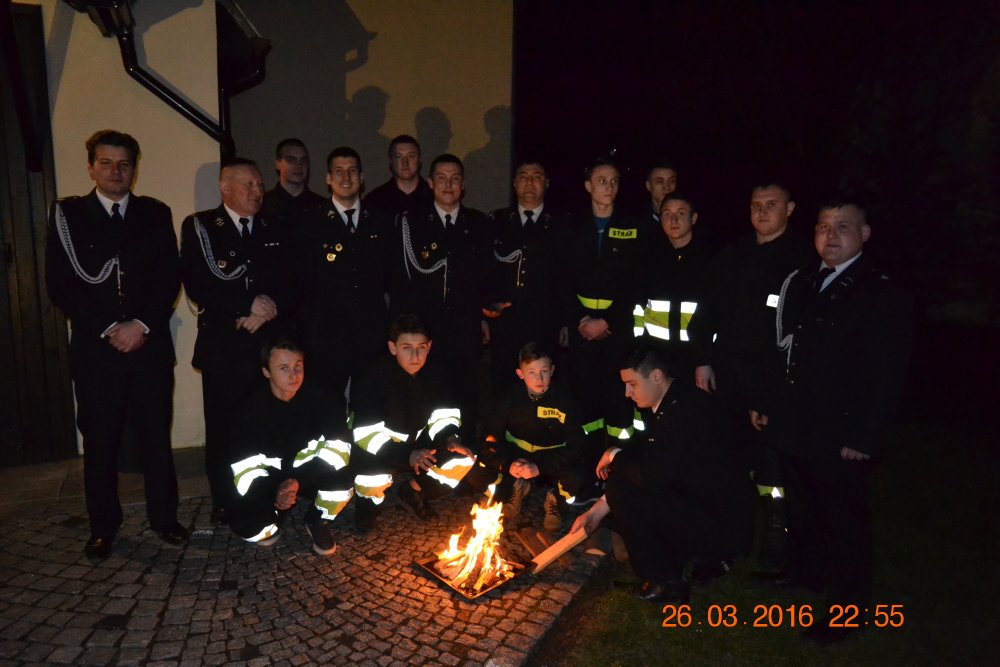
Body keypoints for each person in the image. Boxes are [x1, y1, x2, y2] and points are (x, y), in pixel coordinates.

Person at [757, 201, 912, 644]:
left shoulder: (879, 291)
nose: (830, 235)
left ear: (865, 234)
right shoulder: (805, 280)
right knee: (803, 508)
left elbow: (886, 373)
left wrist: (864, 435)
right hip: (797, 422)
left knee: (845, 523)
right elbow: (786, 350)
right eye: (823, 226)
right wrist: (769, 403)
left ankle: (848, 610)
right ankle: (806, 573)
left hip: (840, 431)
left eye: (842, 227)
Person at [45, 129, 188, 559]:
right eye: (105, 163)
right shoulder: (69, 216)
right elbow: (61, 284)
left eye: (124, 164)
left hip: (149, 348)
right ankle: (103, 526)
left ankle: (164, 518)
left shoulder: (154, 213)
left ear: (134, 169)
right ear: (91, 167)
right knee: (101, 443)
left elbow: (169, 276)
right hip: (97, 352)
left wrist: (140, 325)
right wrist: (111, 327)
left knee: (155, 438)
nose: (115, 171)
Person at [571, 345, 753, 603]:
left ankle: (665, 581)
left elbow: (651, 477)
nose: (627, 393)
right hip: (703, 504)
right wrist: (596, 512)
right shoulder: (673, 400)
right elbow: (646, 460)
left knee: (625, 489)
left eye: (632, 384)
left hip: (720, 524)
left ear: (656, 376)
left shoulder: (685, 412)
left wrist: (613, 456)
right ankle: (674, 561)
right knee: (625, 480)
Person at [697, 181, 813, 573]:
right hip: (727, 377)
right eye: (755, 204)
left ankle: (777, 536)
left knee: (771, 464)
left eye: (771, 204)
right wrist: (702, 361)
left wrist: (767, 394)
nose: (761, 212)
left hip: (774, 381)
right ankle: (732, 538)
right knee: (729, 460)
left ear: (790, 209)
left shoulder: (802, 260)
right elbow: (707, 311)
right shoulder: (733, 254)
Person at [180, 158, 293, 525]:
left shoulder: (275, 226)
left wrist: (265, 310)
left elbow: (293, 280)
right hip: (224, 350)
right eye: (248, 184)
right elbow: (197, 283)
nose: (257, 191)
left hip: (266, 349)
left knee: (266, 426)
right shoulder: (201, 226)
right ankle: (224, 499)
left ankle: (267, 494)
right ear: (225, 188)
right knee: (224, 429)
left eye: (259, 184)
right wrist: (244, 305)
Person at [349, 314, 491, 532]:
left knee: (463, 458)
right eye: (406, 348)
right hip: (381, 450)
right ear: (393, 347)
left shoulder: (437, 372)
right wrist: (406, 455)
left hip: (420, 444)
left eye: (421, 347)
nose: (415, 356)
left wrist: (450, 439)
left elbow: (445, 414)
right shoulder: (373, 378)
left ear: (429, 346)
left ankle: (412, 492)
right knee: (371, 480)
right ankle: (367, 509)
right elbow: (367, 435)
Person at [392, 154, 493, 439]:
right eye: (442, 178)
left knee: (465, 397)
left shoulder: (478, 223)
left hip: (465, 331)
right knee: (427, 396)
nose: (448, 185)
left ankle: (465, 452)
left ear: (463, 184)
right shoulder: (412, 223)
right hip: (425, 331)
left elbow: (487, 275)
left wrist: (486, 314)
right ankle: (425, 453)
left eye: (455, 179)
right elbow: (401, 280)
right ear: (430, 183)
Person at [228, 337, 353, 556]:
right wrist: (275, 493)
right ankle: (278, 513)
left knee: (344, 479)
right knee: (249, 528)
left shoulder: (324, 398)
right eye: (284, 368)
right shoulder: (249, 409)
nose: (294, 375)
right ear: (266, 372)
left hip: (311, 473)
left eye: (298, 366)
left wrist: (299, 481)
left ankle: (317, 519)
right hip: (272, 479)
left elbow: (339, 448)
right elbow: (245, 468)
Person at [562, 156, 646, 464]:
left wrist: (608, 320)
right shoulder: (572, 226)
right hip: (582, 332)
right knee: (585, 402)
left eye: (614, 181)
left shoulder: (633, 225)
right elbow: (561, 278)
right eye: (601, 181)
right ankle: (588, 466)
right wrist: (579, 319)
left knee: (620, 401)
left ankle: (621, 466)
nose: (609, 187)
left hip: (617, 333)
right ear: (588, 186)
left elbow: (637, 281)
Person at [292, 146, 392, 398]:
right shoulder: (309, 223)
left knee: (369, 405)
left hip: (371, 335)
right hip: (326, 337)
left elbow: (391, 279)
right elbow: (301, 284)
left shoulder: (381, 221)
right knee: (327, 404)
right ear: (328, 178)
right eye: (338, 171)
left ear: (362, 177)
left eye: (352, 171)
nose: (346, 178)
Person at [480, 342, 601, 531]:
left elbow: (577, 447)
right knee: (477, 469)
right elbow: (490, 439)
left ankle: (556, 501)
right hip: (518, 456)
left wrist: (540, 467)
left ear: (552, 370)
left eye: (544, 371)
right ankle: (514, 488)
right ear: (520, 374)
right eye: (531, 372)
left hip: (551, 458)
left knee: (577, 476)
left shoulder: (565, 402)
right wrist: (508, 464)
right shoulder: (509, 399)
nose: (539, 378)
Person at [485, 159, 569, 398]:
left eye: (536, 177)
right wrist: (486, 305)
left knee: (546, 389)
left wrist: (566, 321)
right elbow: (484, 270)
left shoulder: (562, 224)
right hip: (506, 322)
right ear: (514, 183)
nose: (530, 182)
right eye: (523, 176)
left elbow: (567, 276)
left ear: (547, 183)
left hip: (546, 322)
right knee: (504, 388)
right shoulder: (496, 222)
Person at [633, 192, 716, 387]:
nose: (673, 220)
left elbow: (714, 312)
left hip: (694, 359)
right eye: (667, 214)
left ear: (694, 218)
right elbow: (637, 306)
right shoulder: (649, 259)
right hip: (656, 357)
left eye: (681, 213)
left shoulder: (710, 260)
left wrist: (704, 359)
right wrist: (639, 352)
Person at [362, 134, 433, 221]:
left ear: (419, 159)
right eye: (399, 157)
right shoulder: (375, 200)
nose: (405, 162)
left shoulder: (435, 197)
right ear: (391, 161)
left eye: (411, 156)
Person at [259, 138, 326, 225]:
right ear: (278, 164)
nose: (299, 165)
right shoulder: (261, 205)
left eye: (303, 160)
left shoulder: (323, 207)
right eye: (291, 160)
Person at [643, 160, 678, 224]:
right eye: (660, 182)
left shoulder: (686, 219)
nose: (667, 187)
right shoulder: (635, 220)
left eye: (671, 181)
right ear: (648, 185)